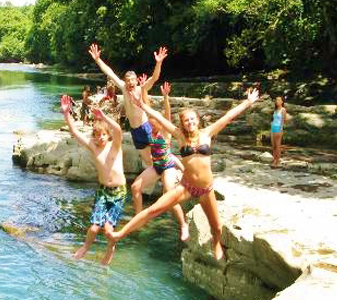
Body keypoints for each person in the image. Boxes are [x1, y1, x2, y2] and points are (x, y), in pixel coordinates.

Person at [107, 87, 261, 260]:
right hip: (186, 187)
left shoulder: (207, 133)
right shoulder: (180, 136)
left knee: (217, 227)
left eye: (192, 119)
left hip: (206, 189)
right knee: (153, 210)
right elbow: (158, 117)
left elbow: (228, 117)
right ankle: (119, 234)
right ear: (182, 124)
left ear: (198, 120)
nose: (189, 122)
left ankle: (216, 242)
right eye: (186, 121)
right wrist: (141, 104)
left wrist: (248, 102)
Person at [60, 94, 127, 266]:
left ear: (108, 135)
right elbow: (74, 132)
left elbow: (118, 130)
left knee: (108, 230)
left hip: (119, 192)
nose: (100, 138)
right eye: (97, 135)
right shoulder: (93, 146)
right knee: (94, 227)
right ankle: (84, 248)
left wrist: (104, 117)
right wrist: (66, 113)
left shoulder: (115, 146)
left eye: (103, 134)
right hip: (103, 190)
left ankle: (110, 250)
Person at [88, 43, 168, 167]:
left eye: (132, 80)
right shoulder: (123, 88)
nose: (130, 82)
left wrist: (158, 63)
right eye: (128, 80)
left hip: (145, 127)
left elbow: (154, 78)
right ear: (125, 81)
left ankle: (169, 174)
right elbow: (110, 73)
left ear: (136, 80)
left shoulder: (141, 89)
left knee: (158, 156)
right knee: (148, 160)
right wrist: (98, 59)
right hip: (134, 130)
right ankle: (159, 178)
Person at [130, 81, 190, 241]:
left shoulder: (165, 132)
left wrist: (165, 97)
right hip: (157, 166)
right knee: (135, 187)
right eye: (149, 122)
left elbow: (167, 115)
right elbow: (147, 106)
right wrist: (142, 90)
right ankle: (138, 219)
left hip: (168, 167)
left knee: (169, 197)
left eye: (152, 122)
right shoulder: (150, 132)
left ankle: (183, 225)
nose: (149, 123)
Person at [271, 96, 287, 168]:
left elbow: (283, 121)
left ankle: (277, 161)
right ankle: (274, 159)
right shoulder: (275, 110)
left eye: (278, 100)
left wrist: (281, 129)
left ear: (282, 102)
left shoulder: (283, 110)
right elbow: (273, 119)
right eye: (276, 100)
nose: (277, 101)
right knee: (273, 146)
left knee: (277, 146)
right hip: (273, 128)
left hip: (278, 128)